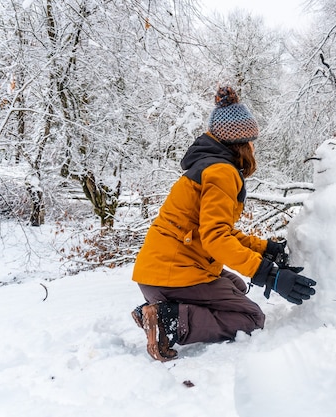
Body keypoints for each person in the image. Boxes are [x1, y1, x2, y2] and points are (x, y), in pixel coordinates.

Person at [131, 86, 317, 362]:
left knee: (236, 287)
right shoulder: (221, 172)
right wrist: (271, 276)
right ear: (241, 143)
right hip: (174, 275)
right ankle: (167, 319)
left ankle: (162, 308)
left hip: (159, 274)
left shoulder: (211, 166)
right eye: (252, 141)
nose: (255, 147)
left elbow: (218, 230)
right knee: (250, 318)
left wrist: (264, 249)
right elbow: (216, 239)